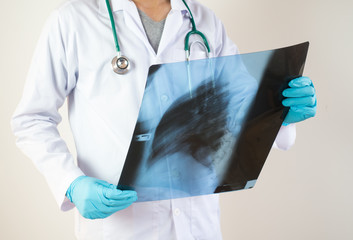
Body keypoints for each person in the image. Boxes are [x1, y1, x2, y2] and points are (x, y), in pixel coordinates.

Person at [11, 0, 317, 239]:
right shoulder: (72, 20)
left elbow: (238, 110)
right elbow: (32, 119)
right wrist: (71, 182)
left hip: (199, 225)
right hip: (120, 227)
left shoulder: (205, 22)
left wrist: (279, 112)